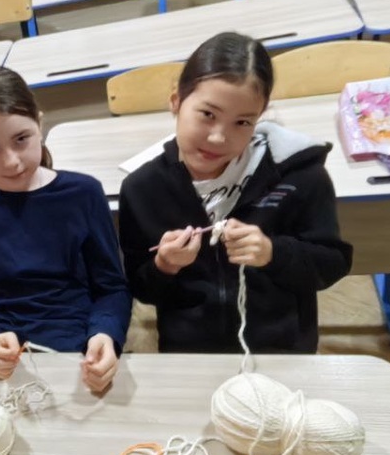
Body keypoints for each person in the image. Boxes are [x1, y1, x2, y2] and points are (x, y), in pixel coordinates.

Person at [118, 32, 353, 353]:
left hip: (282, 349)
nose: (218, 137)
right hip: (190, 351)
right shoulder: (143, 189)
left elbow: (332, 264)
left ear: (260, 117)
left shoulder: (299, 175)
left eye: (242, 122)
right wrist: (165, 265)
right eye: (207, 114)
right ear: (176, 102)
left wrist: (273, 253)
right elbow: (141, 287)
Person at [0, 66, 131, 392]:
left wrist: (105, 334)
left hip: (83, 353)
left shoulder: (84, 194)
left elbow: (112, 288)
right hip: (8, 363)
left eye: (21, 139)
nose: (12, 161)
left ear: (40, 125)